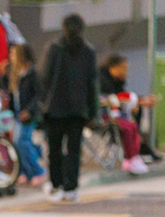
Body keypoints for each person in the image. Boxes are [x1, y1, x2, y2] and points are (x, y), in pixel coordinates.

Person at [40, 13, 97, 203]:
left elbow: (44, 78)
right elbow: (92, 83)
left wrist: (42, 104)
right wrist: (93, 112)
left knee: (54, 150)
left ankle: (56, 185)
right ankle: (71, 188)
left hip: (55, 107)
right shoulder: (88, 51)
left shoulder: (53, 48)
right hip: (78, 109)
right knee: (74, 150)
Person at [0, 44, 46, 186]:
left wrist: (29, 110)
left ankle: (38, 171)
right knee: (18, 144)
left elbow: (38, 95)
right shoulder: (15, 73)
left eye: (13, 53)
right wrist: (3, 75)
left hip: (28, 115)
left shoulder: (32, 73)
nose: (11, 56)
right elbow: (9, 91)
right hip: (17, 113)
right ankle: (25, 172)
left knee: (23, 142)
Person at [100, 54, 152, 174]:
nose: (126, 72)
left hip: (115, 113)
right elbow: (111, 100)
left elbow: (123, 97)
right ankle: (129, 159)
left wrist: (139, 101)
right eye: (123, 68)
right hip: (104, 114)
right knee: (127, 126)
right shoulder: (102, 81)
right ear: (113, 67)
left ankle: (135, 155)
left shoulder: (118, 81)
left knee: (132, 124)